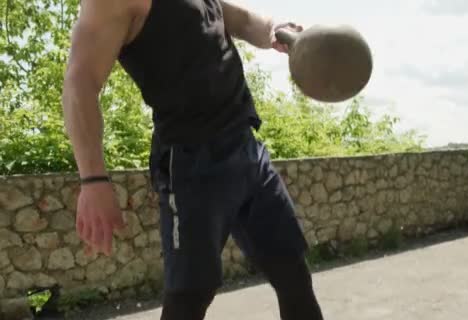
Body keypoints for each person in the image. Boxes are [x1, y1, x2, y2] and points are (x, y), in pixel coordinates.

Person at [61, 0, 325, 319]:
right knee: (191, 294)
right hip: (191, 164)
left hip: (246, 148)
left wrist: (277, 31)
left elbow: (242, 20)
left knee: (292, 271)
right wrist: (93, 180)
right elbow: (80, 81)